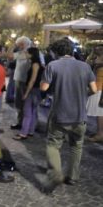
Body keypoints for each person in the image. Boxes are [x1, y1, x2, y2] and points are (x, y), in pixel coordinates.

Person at [39, 38, 97, 193]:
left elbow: (43, 87)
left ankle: (56, 174)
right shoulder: (85, 66)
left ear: (56, 52)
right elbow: (94, 89)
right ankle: (73, 176)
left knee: (53, 144)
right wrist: (82, 94)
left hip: (60, 114)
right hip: (80, 116)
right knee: (76, 146)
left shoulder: (53, 65)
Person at [14, 47, 44, 140]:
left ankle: (23, 133)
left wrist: (26, 93)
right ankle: (31, 131)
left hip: (33, 90)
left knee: (27, 112)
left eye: (27, 53)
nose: (26, 54)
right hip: (37, 90)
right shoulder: (38, 64)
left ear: (32, 54)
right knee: (33, 112)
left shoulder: (35, 64)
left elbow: (32, 80)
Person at [8, 37, 32, 130]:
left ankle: (21, 122)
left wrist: (12, 45)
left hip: (22, 80)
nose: (19, 46)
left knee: (20, 103)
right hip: (25, 80)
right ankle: (26, 123)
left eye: (20, 44)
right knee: (24, 103)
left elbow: (9, 56)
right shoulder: (31, 52)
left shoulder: (24, 53)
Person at [87, 45, 103, 142]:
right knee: (100, 113)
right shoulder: (98, 63)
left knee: (99, 113)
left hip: (99, 90)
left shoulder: (100, 65)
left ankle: (100, 134)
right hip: (98, 89)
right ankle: (99, 133)